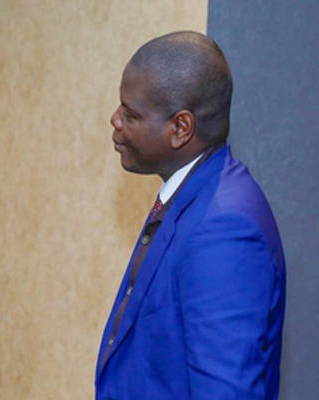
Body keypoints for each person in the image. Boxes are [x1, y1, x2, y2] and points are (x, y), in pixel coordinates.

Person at [96, 31, 286, 399]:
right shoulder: (190, 193)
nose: (115, 119)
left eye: (131, 114)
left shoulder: (224, 229)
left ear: (181, 128)